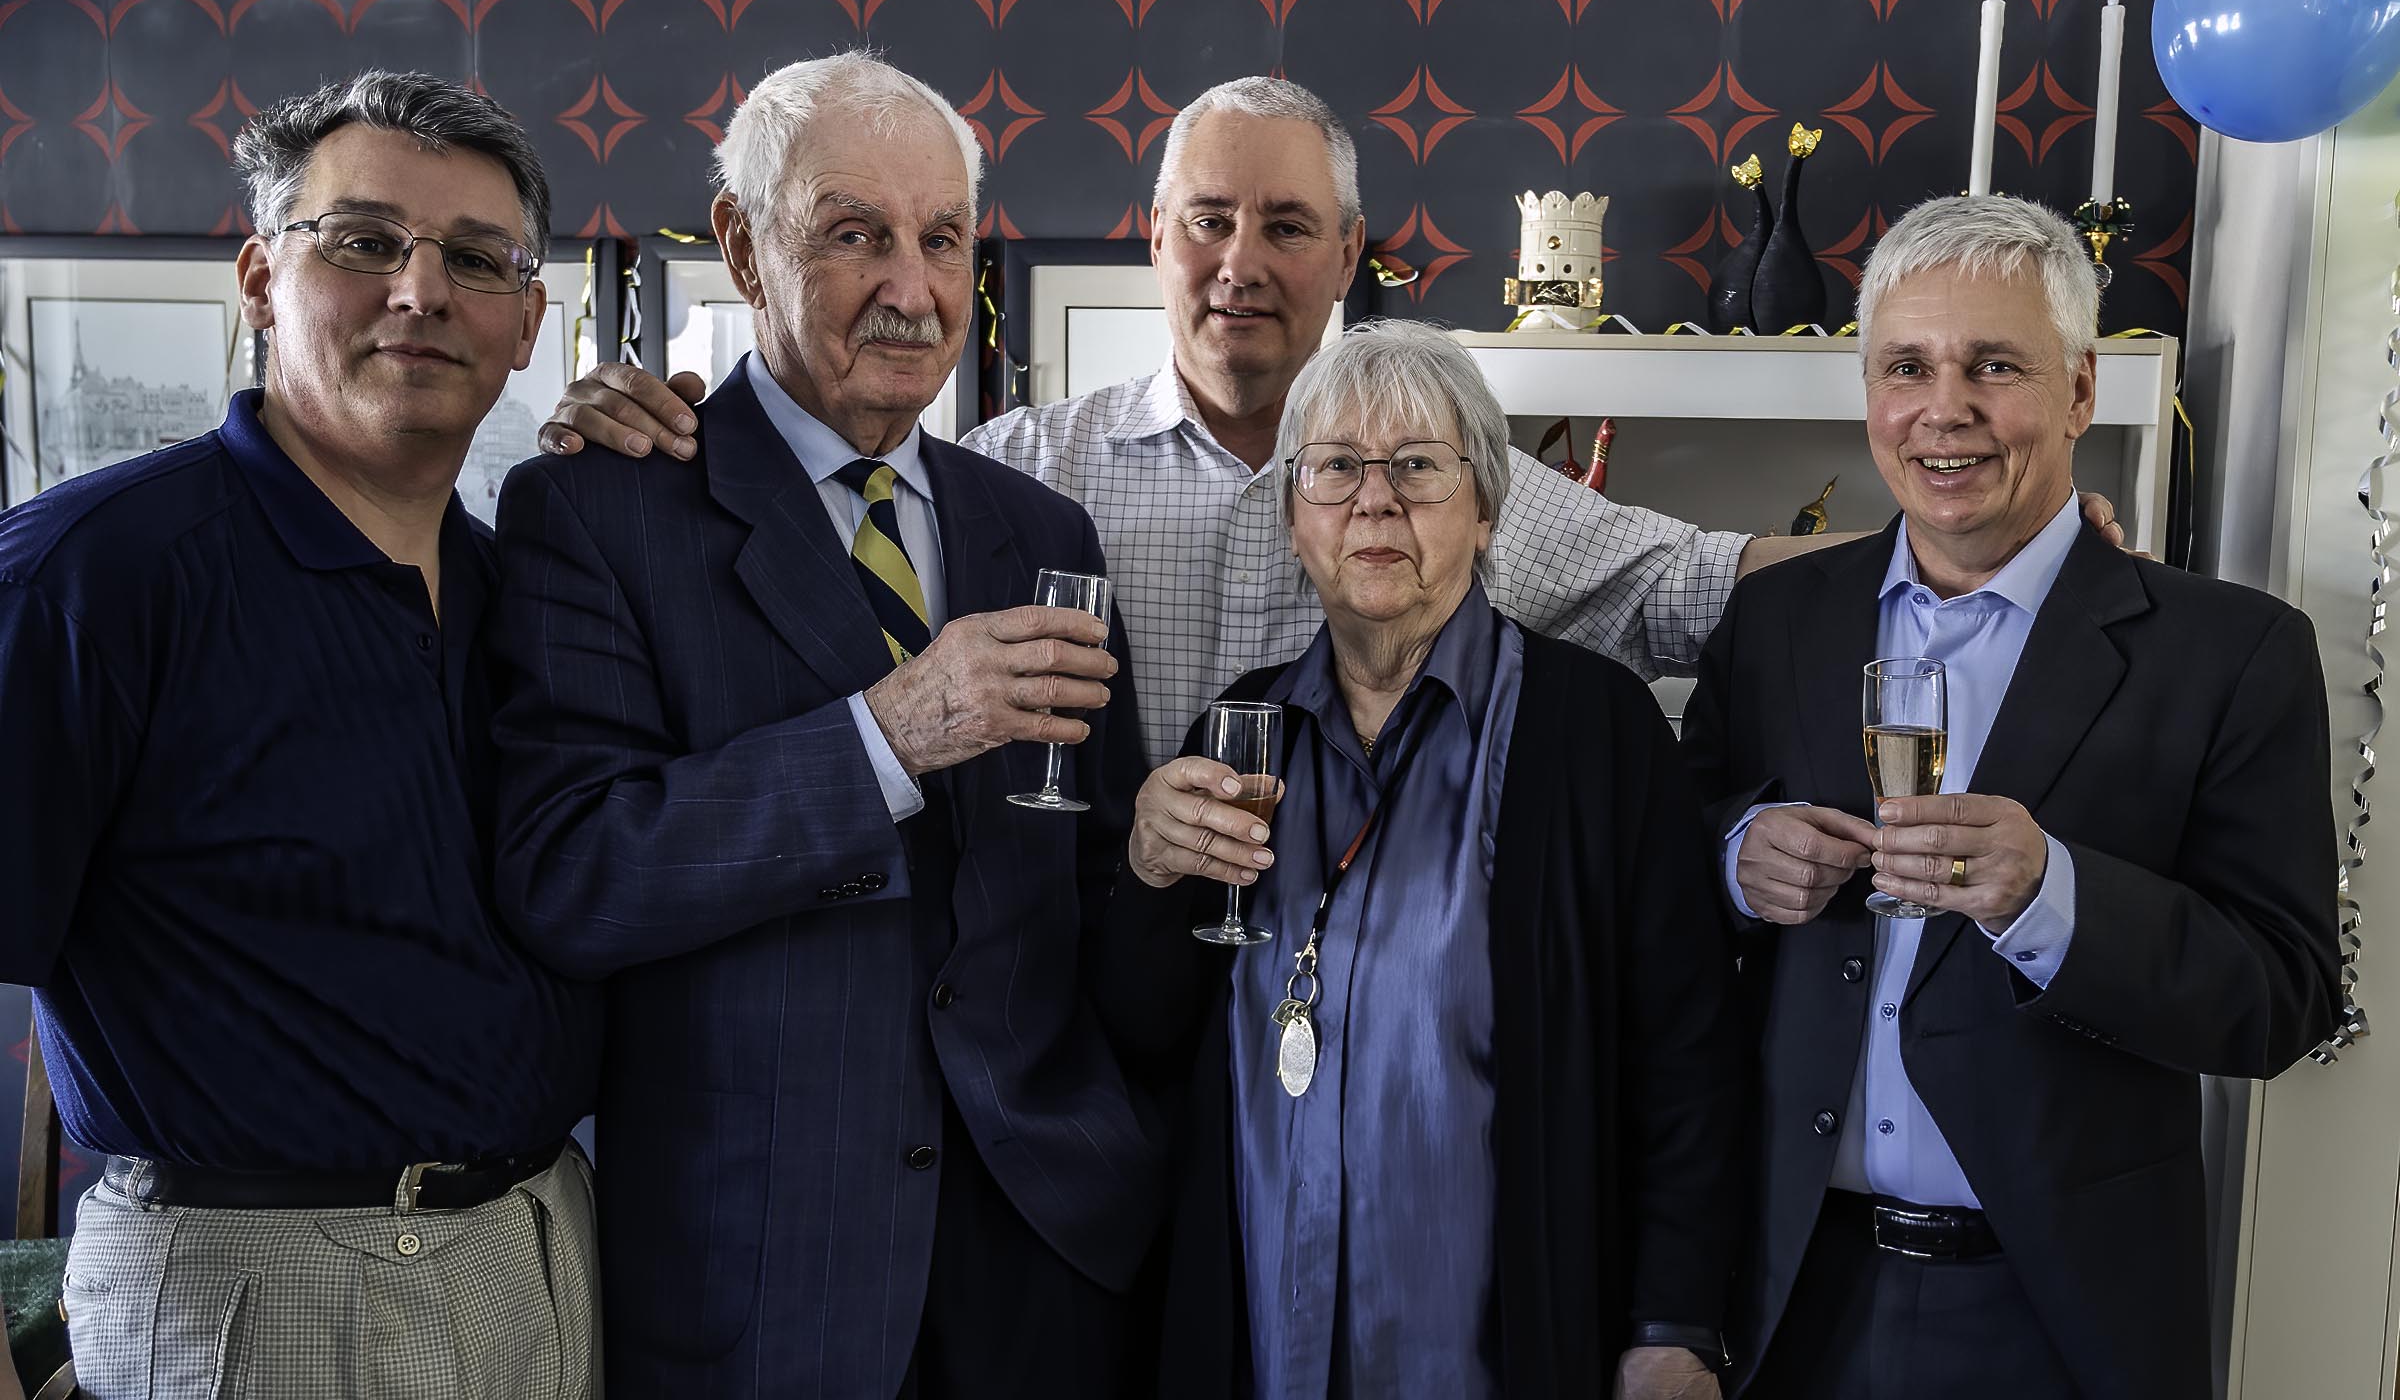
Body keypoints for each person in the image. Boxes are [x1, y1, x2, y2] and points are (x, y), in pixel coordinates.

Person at [540, 76, 2126, 767]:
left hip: (1372, 1003)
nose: (1243, 265)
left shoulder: (1446, 477)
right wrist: (662, 418)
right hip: (1106, 1036)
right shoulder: (1020, 478)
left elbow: (1696, 584)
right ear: (1156, 240)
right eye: (1210, 222)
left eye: (1288, 228)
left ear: (1349, 253)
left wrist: (1969, 550)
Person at [486, 52, 1159, 1398]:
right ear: (743, 246)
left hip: (1044, 1252)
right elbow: (571, 875)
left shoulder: (1042, 527)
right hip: (761, 1269)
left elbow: (1094, 883)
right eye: (856, 235)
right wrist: (884, 736)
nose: (913, 289)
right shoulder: (598, 509)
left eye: (943, 238)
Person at [1680, 195, 2341, 1399]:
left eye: (1995, 365)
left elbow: (2281, 999)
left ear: (2080, 389)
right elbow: (1671, 857)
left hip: (2060, 1316)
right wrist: (1735, 856)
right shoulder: (1777, 618)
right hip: (1784, 1296)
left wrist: (2052, 895)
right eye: (1907, 367)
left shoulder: (2234, 652)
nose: (1946, 409)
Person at [0, 71, 600, 1397]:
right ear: (262, 279)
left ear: (525, 326)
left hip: (542, 1257)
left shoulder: (528, 594)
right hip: (253, 1283)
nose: (421, 290)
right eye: (366, 240)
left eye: (476, 259)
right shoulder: (89, 575)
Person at [1105, 321, 1742, 1398]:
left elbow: (1689, 1053)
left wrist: (1674, 1325)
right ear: (1296, 519)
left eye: (1416, 466)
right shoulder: (1238, 732)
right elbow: (1145, 1031)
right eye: (1336, 468)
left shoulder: (1599, 730)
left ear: (1485, 508)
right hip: (1263, 1335)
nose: (1375, 501)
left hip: (1508, 1349)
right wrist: (1148, 871)